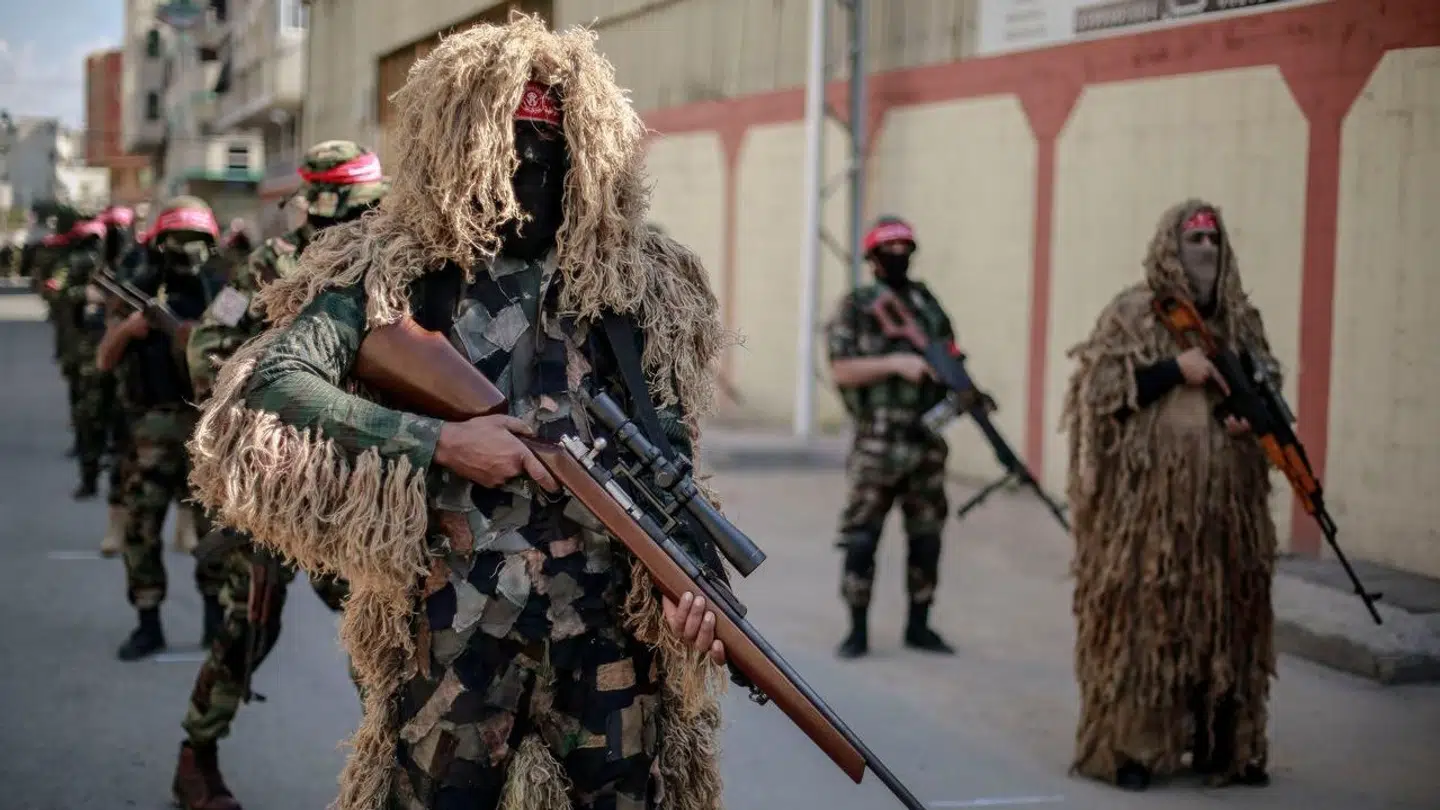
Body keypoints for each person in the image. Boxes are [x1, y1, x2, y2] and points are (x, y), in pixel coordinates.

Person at [188, 14, 733, 810]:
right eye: (511, 140)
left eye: (552, 142)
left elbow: (670, 457)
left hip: (609, 642)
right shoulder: (396, 267)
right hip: (453, 636)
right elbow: (274, 381)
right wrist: (441, 440)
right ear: (459, 141)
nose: (531, 162)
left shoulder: (638, 280)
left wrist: (691, 586)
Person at [171, 140, 388, 810]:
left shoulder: (388, 257)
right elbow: (207, 344)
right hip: (277, 480)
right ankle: (196, 756)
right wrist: (257, 427)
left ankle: (390, 773)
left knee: (377, 629)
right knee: (249, 624)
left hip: (354, 481)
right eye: (360, 204)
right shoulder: (270, 264)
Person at [1062, 199, 1277, 791]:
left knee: (1228, 622)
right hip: (1150, 512)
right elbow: (1101, 391)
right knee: (1147, 626)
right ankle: (1128, 751)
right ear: (1168, 246)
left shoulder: (1241, 321)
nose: (1205, 249)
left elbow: (1267, 384)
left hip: (1228, 507)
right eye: (1193, 238)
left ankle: (1226, 746)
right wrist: (1173, 370)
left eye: (1213, 239)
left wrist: (1249, 420)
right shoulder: (1135, 312)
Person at [96, 196, 231, 661]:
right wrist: (129, 330)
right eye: (176, 239)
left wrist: (196, 343)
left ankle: (216, 623)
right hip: (150, 431)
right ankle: (148, 624)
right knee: (141, 531)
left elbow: (242, 353)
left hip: (207, 431)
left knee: (216, 533)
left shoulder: (226, 293)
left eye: (194, 239)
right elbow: (104, 359)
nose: (185, 248)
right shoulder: (138, 290)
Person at [824, 216, 959, 659]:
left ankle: (919, 625)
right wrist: (896, 364)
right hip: (877, 441)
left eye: (905, 249)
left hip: (925, 439)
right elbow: (842, 369)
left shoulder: (926, 304)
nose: (899, 257)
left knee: (927, 536)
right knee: (862, 537)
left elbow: (949, 354)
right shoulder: (857, 306)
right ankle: (856, 630)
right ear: (873, 259)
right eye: (890, 250)